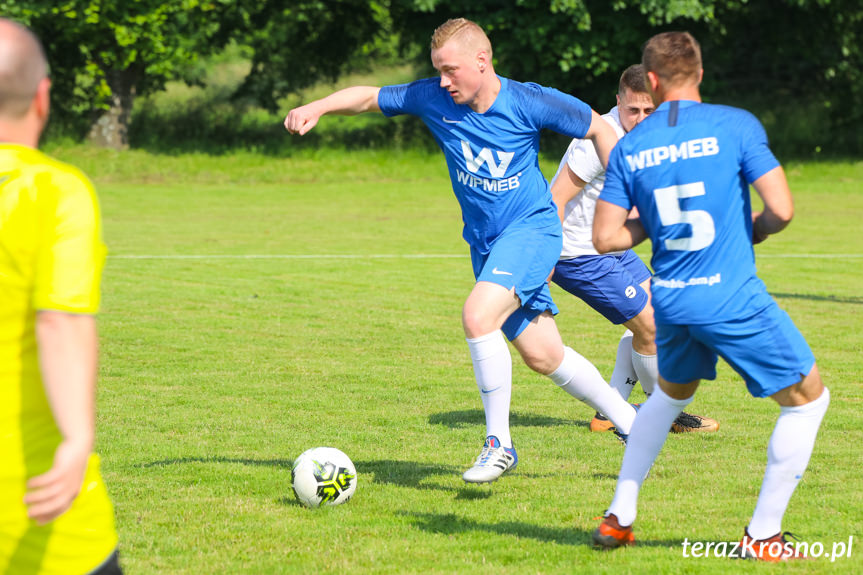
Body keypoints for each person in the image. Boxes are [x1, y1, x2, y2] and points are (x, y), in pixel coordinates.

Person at [285, 18, 639, 484]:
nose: (443, 80)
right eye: (438, 70)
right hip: (487, 245)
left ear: (482, 60)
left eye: (450, 69)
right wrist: (319, 106)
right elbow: (370, 97)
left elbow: (598, 127)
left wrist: (622, 190)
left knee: (477, 317)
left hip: (532, 231)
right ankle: (634, 423)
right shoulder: (434, 97)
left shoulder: (528, 100)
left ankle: (499, 444)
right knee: (543, 355)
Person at [590, 31, 829, 561]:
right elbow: (782, 210)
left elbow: (606, 238)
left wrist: (654, 225)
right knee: (810, 399)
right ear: (699, 73)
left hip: (671, 300)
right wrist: (756, 229)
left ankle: (618, 517)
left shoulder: (631, 146)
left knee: (670, 397)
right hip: (730, 298)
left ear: (650, 81)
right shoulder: (735, 125)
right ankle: (762, 535)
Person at [0, 18, 122, 575]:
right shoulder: (55, 191)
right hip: (39, 519)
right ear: (44, 95)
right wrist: (76, 438)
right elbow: (60, 323)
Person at [549, 64, 718, 434]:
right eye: (632, 110)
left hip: (612, 245)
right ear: (618, 102)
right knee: (651, 326)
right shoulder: (597, 139)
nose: (641, 119)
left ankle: (610, 411)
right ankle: (665, 417)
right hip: (577, 255)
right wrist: (542, 259)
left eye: (649, 110)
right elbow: (555, 199)